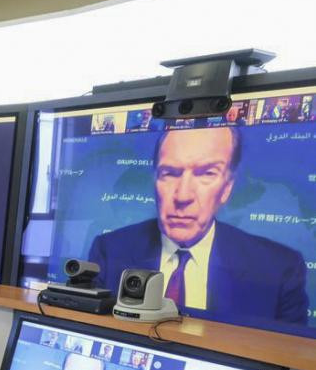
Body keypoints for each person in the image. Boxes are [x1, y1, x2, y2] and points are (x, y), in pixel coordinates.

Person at [87, 127, 308, 324]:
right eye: (170, 173)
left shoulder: (279, 270)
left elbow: (287, 360)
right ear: (154, 181)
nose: (183, 195)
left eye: (206, 174)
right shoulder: (109, 251)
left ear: (227, 188)